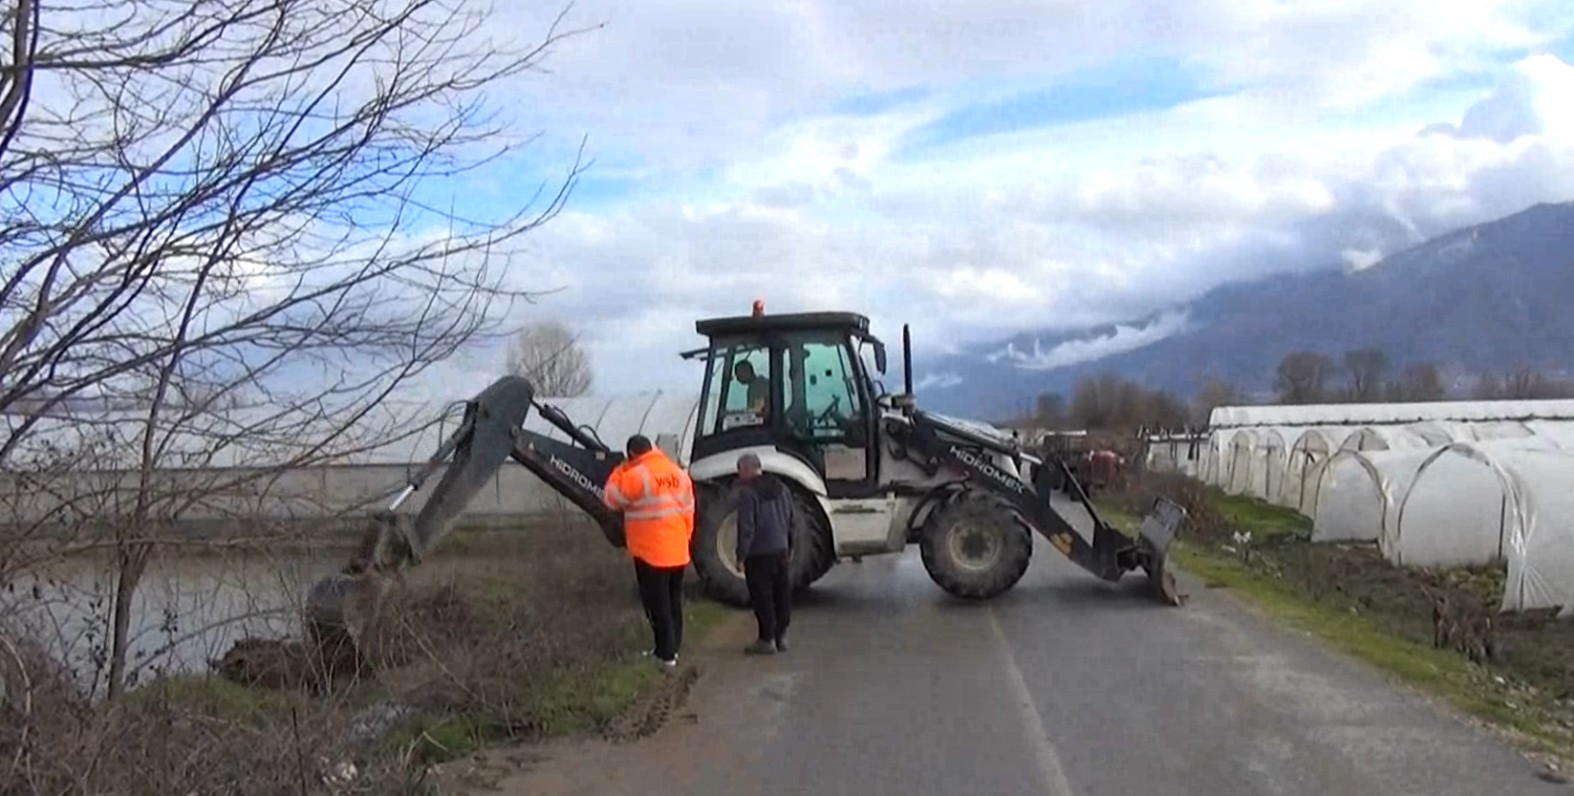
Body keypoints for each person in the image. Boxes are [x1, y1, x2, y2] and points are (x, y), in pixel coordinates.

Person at [603, 434, 696, 669]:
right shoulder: (678, 474)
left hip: (650, 552)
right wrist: (684, 539)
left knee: (656, 605)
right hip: (678, 549)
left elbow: (611, 498)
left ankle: (665, 656)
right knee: (673, 602)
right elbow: (689, 511)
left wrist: (619, 470)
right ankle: (672, 649)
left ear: (632, 454)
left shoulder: (636, 475)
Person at [734, 452, 794, 654]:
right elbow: (791, 520)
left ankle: (766, 639)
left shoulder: (748, 494)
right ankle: (781, 636)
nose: (739, 475)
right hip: (781, 550)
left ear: (746, 469)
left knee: (762, 597)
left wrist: (741, 556)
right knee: (782, 594)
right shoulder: (782, 489)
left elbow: (747, 527)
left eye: (739, 470)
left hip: (759, 553)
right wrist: (790, 546)